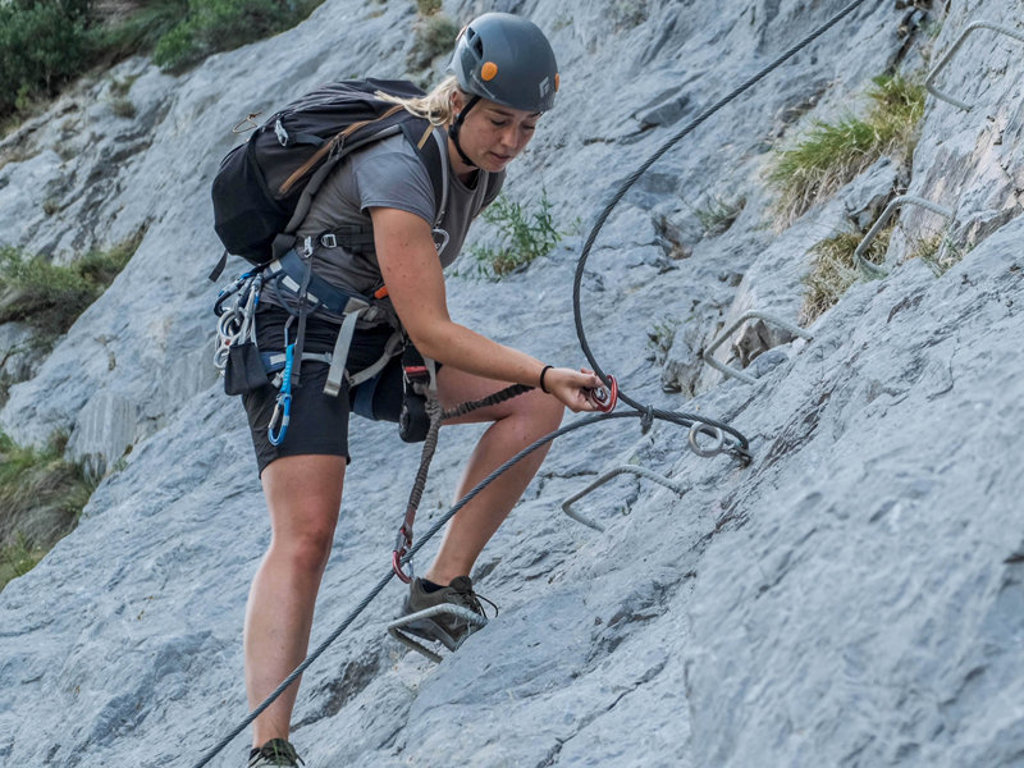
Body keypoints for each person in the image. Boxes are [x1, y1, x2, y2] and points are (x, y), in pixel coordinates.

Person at [239, 12, 603, 767]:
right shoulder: (398, 167)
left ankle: (438, 589)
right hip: (297, 336)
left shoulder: (481, 170)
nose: (512, 141)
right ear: (460, 100)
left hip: (374, 336)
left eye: (528, 127)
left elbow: (416, 305)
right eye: (499, 121)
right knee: (307, 535)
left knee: (533, 407)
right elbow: (433, 330)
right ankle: (268, 749)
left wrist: (536, 382)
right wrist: (542, 368)